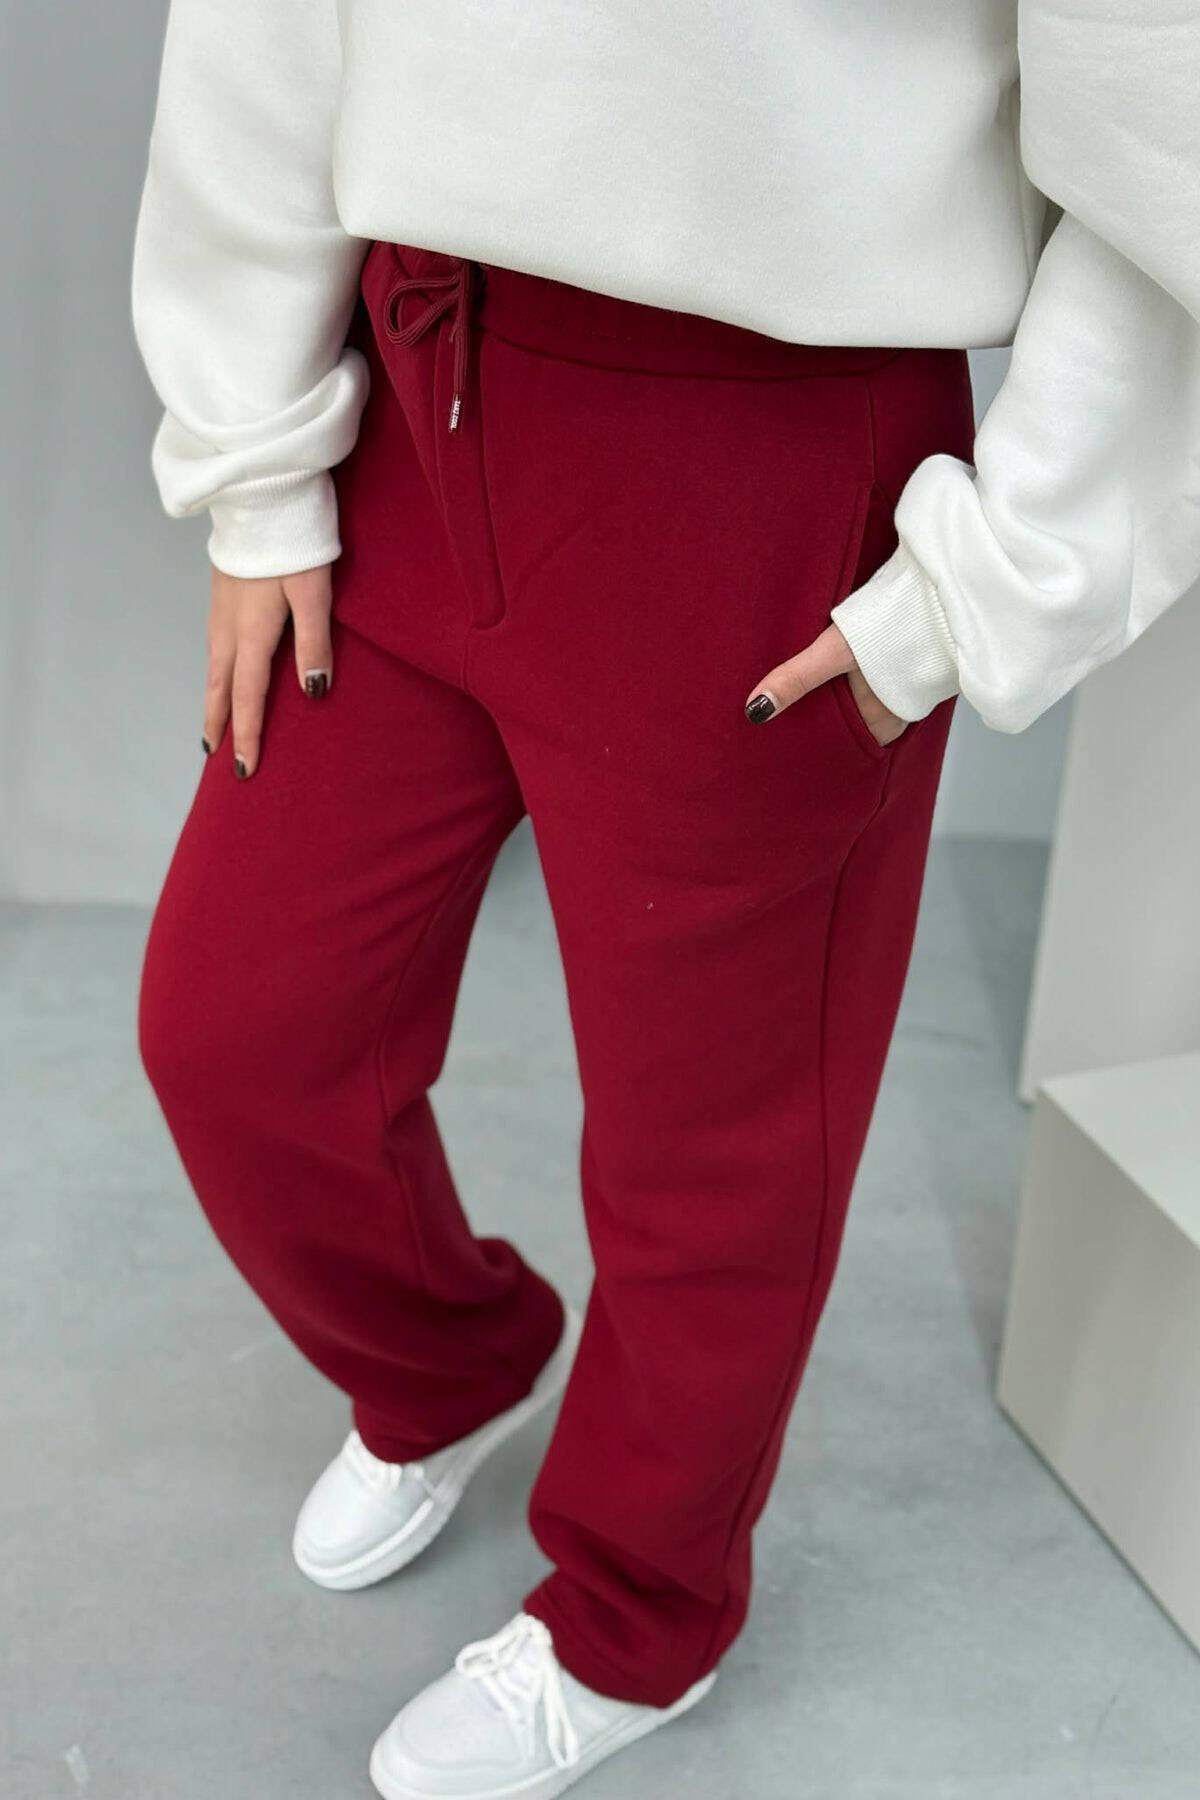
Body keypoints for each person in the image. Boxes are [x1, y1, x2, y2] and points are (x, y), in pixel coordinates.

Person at [129, 4, 1200, 1796]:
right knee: (239, 1030)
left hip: (764, 459)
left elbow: (1174, 115)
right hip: (419, 378)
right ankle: (453, 1359)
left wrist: (996, 578)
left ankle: (643, 1615)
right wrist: (255, 461)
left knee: (711, 1161)